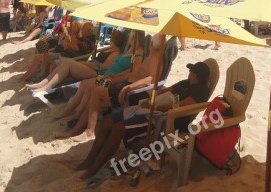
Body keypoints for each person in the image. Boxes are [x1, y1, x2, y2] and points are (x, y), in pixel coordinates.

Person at [75, 61, 212, 181]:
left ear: (200, 77)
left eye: (193, 73)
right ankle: (89, 161)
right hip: (151, 108)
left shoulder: (200, 91)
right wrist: (150, 99)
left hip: (163, 119)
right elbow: (166, 91)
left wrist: (155, 106)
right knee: (107, 120)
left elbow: (180, 106)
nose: (190, 74)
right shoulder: (185, 83)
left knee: (119, 128)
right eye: (190, 71)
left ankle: (93, 170)